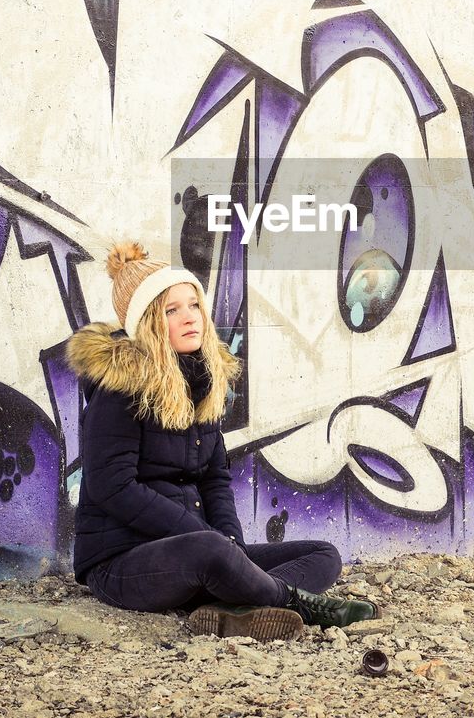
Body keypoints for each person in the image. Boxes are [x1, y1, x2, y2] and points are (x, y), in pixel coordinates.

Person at [67, 241, 377, 642]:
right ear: (147, 321)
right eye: (171, 310)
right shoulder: (118, 392)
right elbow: (115, 488)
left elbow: (214, 477)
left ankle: (231, 604)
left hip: (202, 547)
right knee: (211, 553)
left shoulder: (202, 383)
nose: (189, 318)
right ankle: (301, 605)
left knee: (323, 555)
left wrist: (231, 539)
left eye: (193, 305)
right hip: (122, 561)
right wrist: (208, 539)